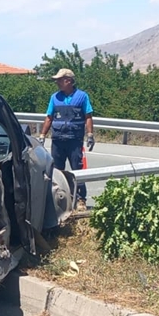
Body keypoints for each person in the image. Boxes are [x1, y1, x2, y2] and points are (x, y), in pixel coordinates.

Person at [40, 67, 95, 210]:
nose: (57, 82)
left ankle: (80, 199)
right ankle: (58, 200)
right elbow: (49, 117)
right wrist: (42, 135)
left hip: (74, 140)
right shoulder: (55, 97)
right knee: (57, 171)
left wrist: (90, 135)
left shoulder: (82, 96)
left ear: (68, 81)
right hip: (58, 139)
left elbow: (88, 116)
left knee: (78, 169)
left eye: (59, 80)